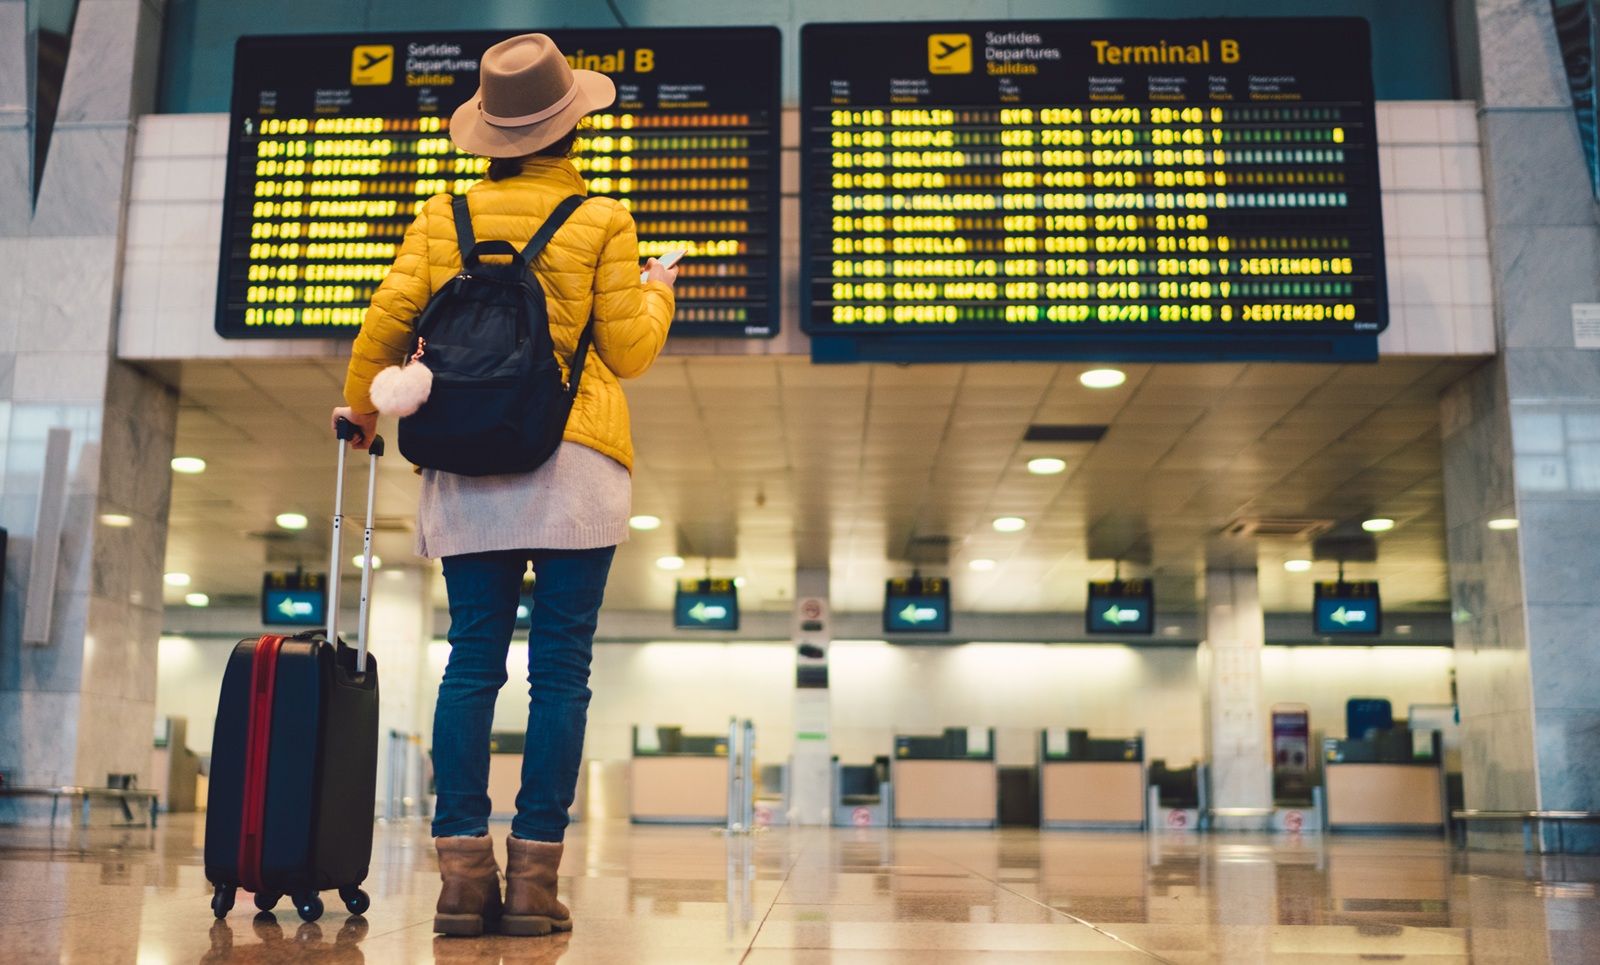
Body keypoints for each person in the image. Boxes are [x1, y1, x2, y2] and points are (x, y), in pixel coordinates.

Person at [332, 33, 676, 938]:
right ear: (571, 128)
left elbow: (389, 315)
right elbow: (630, 350)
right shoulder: (603, 219)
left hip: (469, 456)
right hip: (575, 460)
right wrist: (659, 289)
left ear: (489, 135)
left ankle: (458, 878)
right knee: (561, 669)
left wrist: (360, 410)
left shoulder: (442, 215)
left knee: (473, 661)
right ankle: (533, 882)